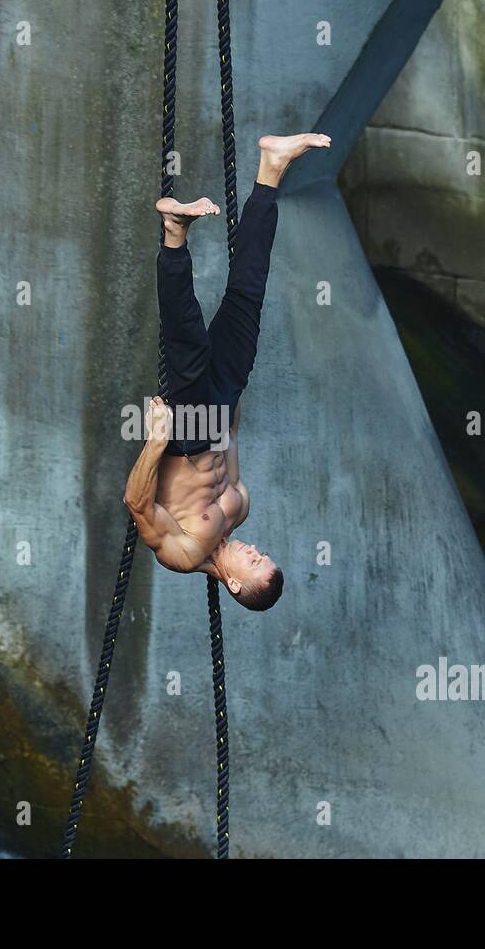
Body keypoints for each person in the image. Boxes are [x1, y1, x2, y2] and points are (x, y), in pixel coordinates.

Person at [123, 132, 330, 611]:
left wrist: (156, 439)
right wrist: (234, 394)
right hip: (222, 404)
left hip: (188, 433)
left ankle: (175, 233)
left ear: (235, 584)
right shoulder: (239, 509)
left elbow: (138, 506)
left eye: (255, 563)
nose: (256, 551)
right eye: (265, 555)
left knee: (188, 341)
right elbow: (231, 440)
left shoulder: (185, 553)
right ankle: (272, 168)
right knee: (248, 295)